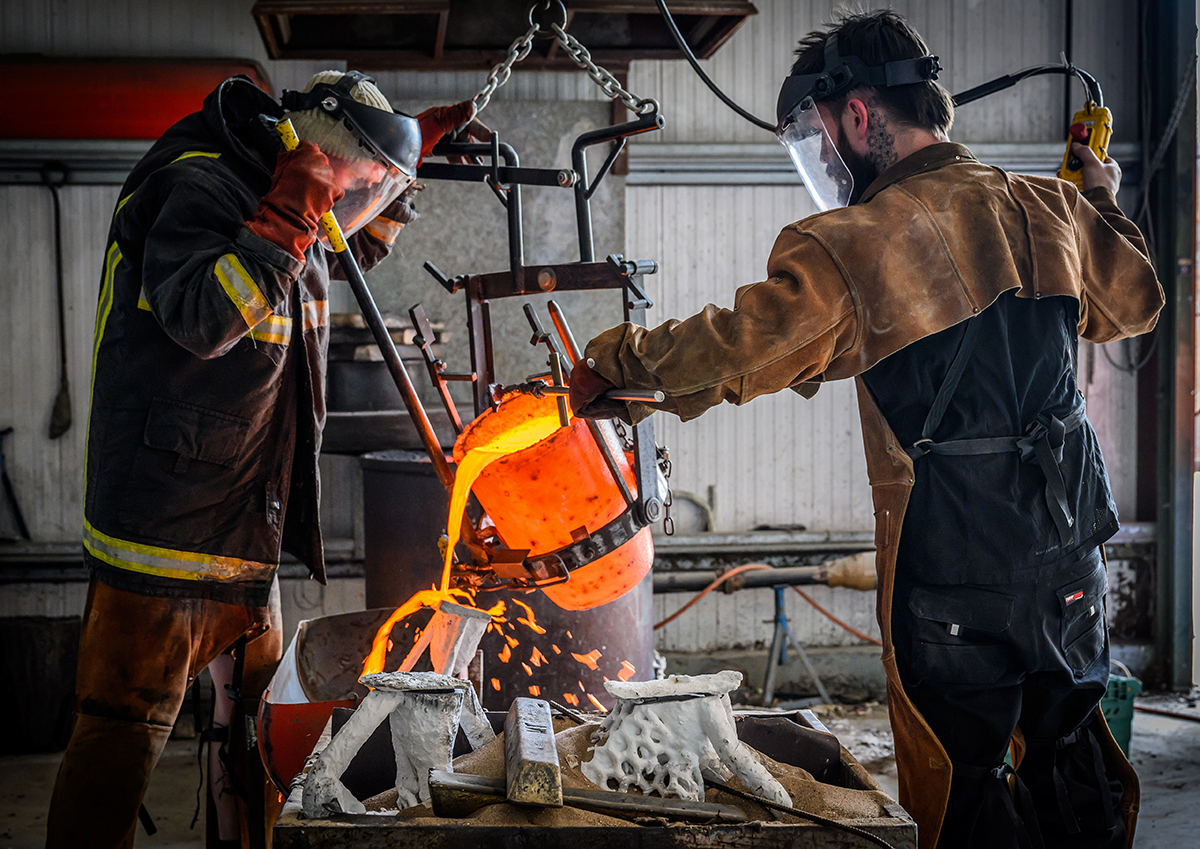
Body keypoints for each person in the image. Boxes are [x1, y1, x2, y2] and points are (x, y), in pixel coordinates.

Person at [570, 11, 1161, 849]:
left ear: (857, 114)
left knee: (966, 793)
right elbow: (1134, 296)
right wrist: (1097, 195)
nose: (826, 162)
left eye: (820, 137)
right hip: (1070, 559)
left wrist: (617, 363)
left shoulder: (862, 244)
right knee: (1069, 765)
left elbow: (739, 347)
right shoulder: (1049, 207)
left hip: (952, 578)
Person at [46, 70, 479, 849]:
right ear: (322, 160)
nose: (360, 206)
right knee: (122, 736)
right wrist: (287, 213)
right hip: (166, 533)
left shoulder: (291, 193)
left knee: (256, 739)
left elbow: (342, 243)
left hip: (244, 530)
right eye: (364, 183)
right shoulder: (204, 189)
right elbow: (205, 319)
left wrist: (405, 171)